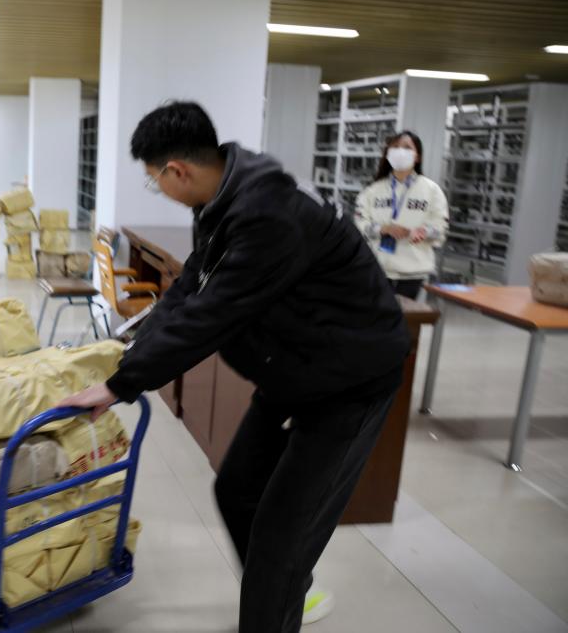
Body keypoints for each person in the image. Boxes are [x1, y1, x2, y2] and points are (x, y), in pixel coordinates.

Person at [57, 102, 410, 633]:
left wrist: (120, 385)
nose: (159, 190)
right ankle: (285, 593)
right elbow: (191, 287)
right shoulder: (222, 200)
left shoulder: (268, 215)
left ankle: (282, 596)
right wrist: (125, 353)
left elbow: (211, 316)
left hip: (349, 382)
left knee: (280, 542)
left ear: (177, 170)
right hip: (296, 366)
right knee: (237, 490)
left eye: (154, 180)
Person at [354, 130, 449, 300]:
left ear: (417, 157)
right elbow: (359, 224)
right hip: (377, 268)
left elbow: (441, 227)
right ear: (388, 154)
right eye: (395, 147)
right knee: (374, 315)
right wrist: (383, 229)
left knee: (405, 316)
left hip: (413, 272)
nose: (400, 151)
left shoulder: (432, 190)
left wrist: (424, 232)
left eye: (407, 147)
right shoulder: (373, 190)